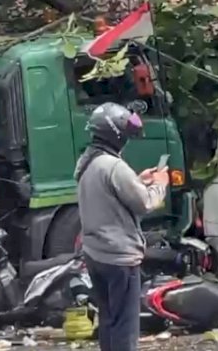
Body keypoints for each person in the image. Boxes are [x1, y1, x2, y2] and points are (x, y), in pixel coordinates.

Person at [74, 102, 169, 351]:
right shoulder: (114, 166)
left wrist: (138, 180)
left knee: (109, 320)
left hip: (96, 254)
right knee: (125, 328)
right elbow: (146, 203)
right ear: (116, 135)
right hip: (119, 257)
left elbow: (108, 193)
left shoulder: (89, 162)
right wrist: (160, 183)